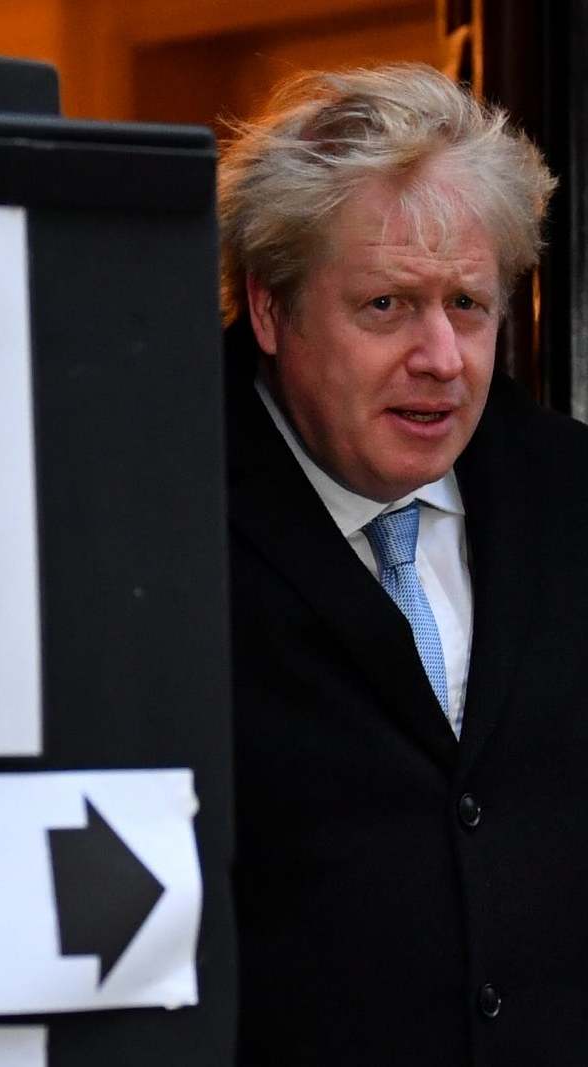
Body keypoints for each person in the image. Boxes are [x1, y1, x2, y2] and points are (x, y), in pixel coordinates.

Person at [219, 64, 588, 1065]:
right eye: (386, 304)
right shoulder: (155, 513)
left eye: (467, 305)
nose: (441, 356)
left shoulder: (564, 493)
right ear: (268, 307)